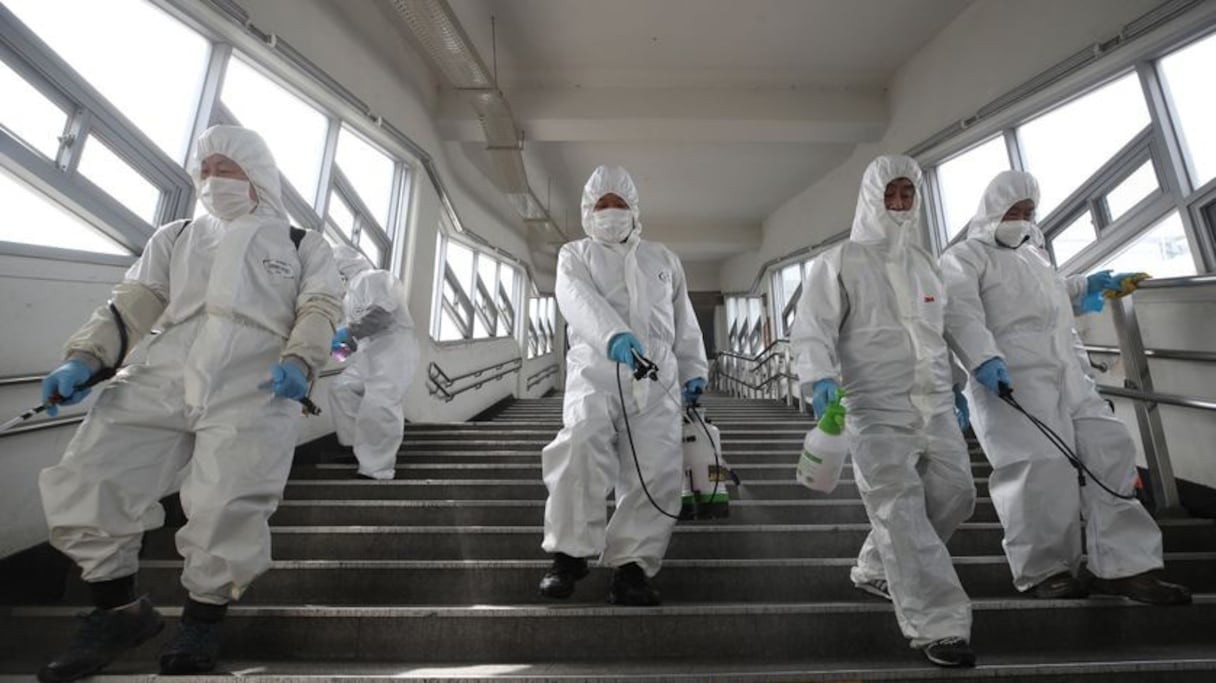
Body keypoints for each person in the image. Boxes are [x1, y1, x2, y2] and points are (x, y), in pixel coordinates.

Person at [36, 125, 343, 681]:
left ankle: (203, 618)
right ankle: (118, 611)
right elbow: (134, 301)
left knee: (228, 501)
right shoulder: (175, 236)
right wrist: (85, 357)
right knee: (91, 476)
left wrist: (301, 360)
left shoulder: (301, 244)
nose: (213, 180)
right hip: (161, 370)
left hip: (255, 381)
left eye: (227, 168)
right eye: (205, 169)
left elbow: (320, 304)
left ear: (258, 175)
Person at [939, 170, 1190, 605]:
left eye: (1027, 212)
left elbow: (1049, 295)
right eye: (1011, 212)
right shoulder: (964, 257)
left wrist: (1089, 286)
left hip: (1068, 373)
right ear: (990, 211)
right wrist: (981, 358)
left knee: (1110, 449)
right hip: (1009, 377)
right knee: (1039, 465)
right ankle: (1046, 569)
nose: (1020, 219)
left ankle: (1125, 566)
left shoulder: (1034, 256)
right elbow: (958, 312)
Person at [791, 155, 977, 667]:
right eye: (889, 195)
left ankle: (877, 565)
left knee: (958, 493)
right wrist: (820, 377)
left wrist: (957, 384)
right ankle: (938, 625)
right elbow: (813, 326)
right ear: (871, 198)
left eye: (907, 195)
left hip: (934, 402)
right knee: (899, 510)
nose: (898, 204)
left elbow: (936, 331)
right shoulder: (840, 260)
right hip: (873, 406)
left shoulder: (925, 262)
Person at [538, 165, 708, 606]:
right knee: (579, 447)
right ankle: (569, 556)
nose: (611, 212)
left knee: (656, 471)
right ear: (587, 211)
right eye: (602, 204)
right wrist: (613, 336)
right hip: (596, 370)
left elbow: (682, 320)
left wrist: (693, 373)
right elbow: (576, 299)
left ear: (634, 210)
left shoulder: (663, 259)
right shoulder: (574, 254)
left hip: (657, 379)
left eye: (619, 204)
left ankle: (632, 569)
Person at [328, 245, 420, 480]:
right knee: (342, 388)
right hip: (370, 353)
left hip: (393, 349)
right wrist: (334, 352)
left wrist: (348, 332)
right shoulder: (349, 295)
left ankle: (377, 469)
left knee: (380, 402)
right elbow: (353, 337)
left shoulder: (374, 278)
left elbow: (381, 315)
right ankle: (355, 448)